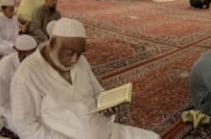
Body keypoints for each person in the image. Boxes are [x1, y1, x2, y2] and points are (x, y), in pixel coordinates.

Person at [11, 17, 159, 138]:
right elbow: (24, 126)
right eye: (69, 52)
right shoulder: (28, 74)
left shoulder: (80, 61)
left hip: (105, 131)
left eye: (80, 53)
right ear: (53, 43)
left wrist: (106, 104)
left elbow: (97, 91)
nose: (75, 59)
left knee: (153, 137)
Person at [0, 35, 37, 133]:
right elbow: (4, 102)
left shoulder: (32, 62)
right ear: (21, 54)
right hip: (7, 108)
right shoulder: (4, 69)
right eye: (31, 54)